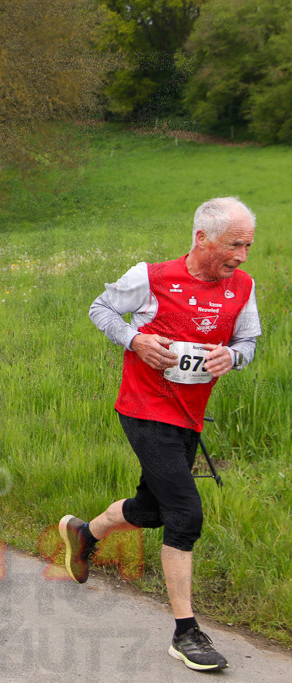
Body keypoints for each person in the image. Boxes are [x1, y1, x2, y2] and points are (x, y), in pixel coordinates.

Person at [60, 197, 260, 672]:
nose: (241, 256)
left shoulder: (243, 287)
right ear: (202, 238)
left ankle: (83, 534)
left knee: (151, 510)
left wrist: (233, 356)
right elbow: (100, 308)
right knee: (185, 515)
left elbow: (248, 342)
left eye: (248, 246)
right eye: (234, 245)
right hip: (144, 409)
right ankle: (185, 632)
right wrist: (135, 339)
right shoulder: (151, 278)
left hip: (189, 415)